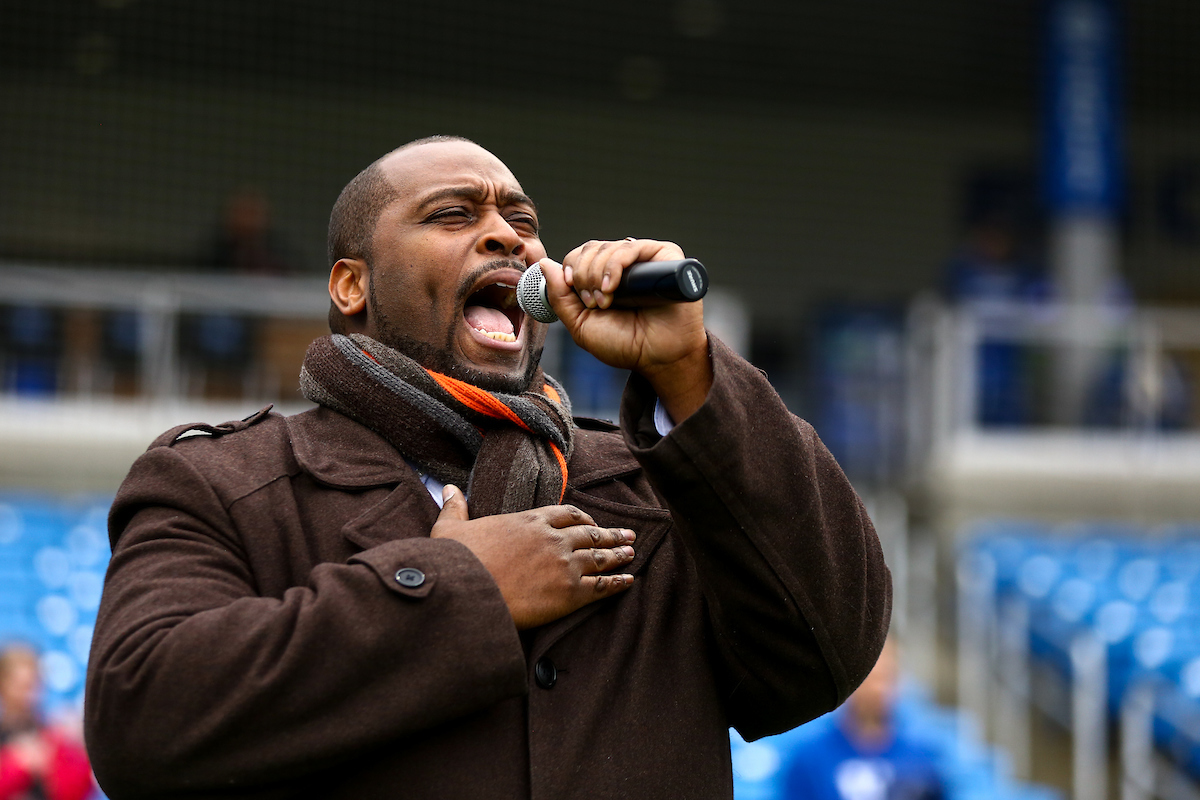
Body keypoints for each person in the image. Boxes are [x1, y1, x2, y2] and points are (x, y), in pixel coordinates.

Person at [84, 135, 891, 799]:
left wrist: (690, 373)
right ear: (352, 284)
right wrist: (456, 590)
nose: (510, 235)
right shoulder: (221, 483)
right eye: (451, 215)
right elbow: (141, 719)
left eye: (521, 219)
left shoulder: (657, 488)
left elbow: (826, 649)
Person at [782, 640, 943, 800]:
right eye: (871, 678)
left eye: (887, 677)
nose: (878, 689)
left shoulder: (920, 759)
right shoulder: (810, 759)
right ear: (851, 682)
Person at [0, 645, 94, 800]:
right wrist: (18, 765)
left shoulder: (51, 735)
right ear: (3, 685)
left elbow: (76, 792)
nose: (30, 695)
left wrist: (78, 749)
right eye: (22, 686)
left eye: (35, 686)